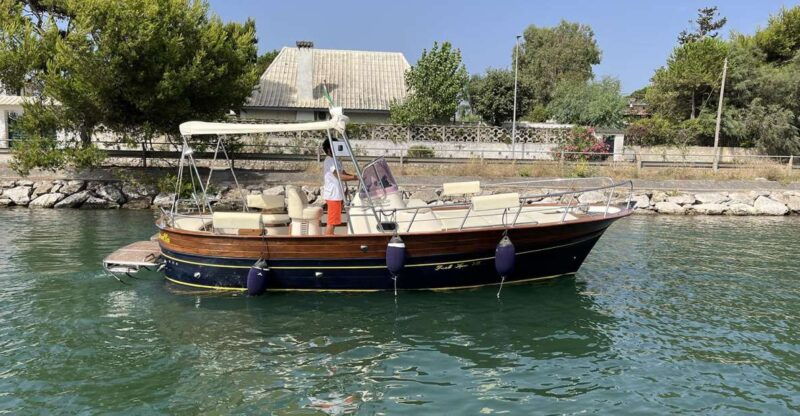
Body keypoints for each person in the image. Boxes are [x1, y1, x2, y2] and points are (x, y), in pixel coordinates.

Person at [321, 140, 357, 235]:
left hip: (338, 194)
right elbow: (339, 176)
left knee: (335, 221)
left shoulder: (336, 160)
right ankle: (327, 242)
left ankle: (331, 237)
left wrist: (356, 176)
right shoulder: (329, 160)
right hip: (334, 195)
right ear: (329, 149)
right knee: (332, 222)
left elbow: (343, 173)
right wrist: (353, 178)